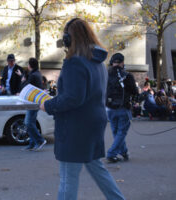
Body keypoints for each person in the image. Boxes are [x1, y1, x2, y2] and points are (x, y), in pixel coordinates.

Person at [40, 18, 125, 200]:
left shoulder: (75, 62)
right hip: (94, 125)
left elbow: (72, 98)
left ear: (70, 39)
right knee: (97, 169)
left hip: (75, 127)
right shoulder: (98, 62)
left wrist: (47, 105)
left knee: (68, 178)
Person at [106, 53, 139, 163]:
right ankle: (111, 153)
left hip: (110, 109)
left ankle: (124, 152)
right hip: (123, 108)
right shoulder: (127, 76)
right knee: (121, 132)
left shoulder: (106, 75)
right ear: (122, 62)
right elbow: (135, 91)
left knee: (116, 132)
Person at [22, 58, 46, 151]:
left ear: (30, 65)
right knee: (31, 122)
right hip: (34, 101)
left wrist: (23, 80)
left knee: (28, 122)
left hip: (32, 102)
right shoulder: (37, 73)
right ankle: (32, 143)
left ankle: (40, 140)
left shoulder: (33, 75)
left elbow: (26, 87)